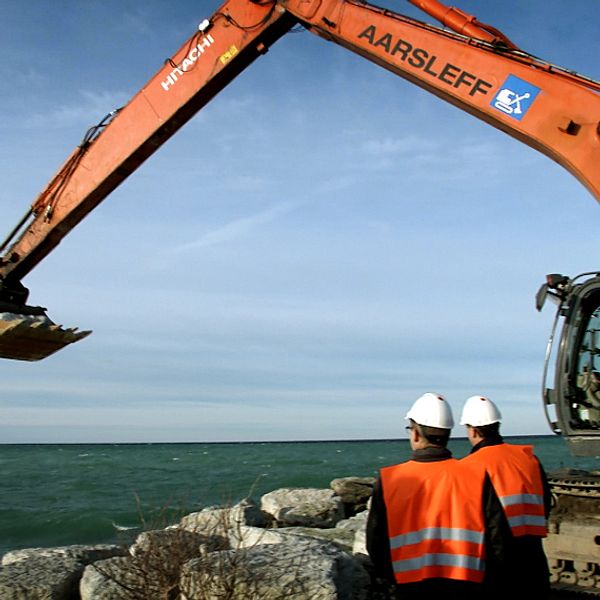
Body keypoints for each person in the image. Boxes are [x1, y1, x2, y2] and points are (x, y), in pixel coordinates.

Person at [366, 392, 492, 600]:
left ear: (415, 434)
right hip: (467, 582)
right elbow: (496, 535)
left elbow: (376, 540)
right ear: (447, 434)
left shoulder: (389, 479)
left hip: (410, 584)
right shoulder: (476, 475)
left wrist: (389, 576)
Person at [459, 394, 551, 597]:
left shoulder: (468, 467)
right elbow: (545, 502)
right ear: (496, 425)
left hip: (494, 566)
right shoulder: (528, 458)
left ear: (472, 430)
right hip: (533, 560)